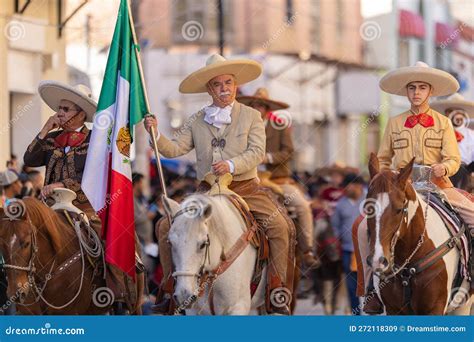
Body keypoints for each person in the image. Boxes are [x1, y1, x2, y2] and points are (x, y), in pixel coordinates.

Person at [145, 54, 296, 315]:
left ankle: (276, 291)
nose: (224, 88)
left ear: (235, 86)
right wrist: (156, 134)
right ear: (209, 89)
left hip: (245, 188)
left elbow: (258, 152)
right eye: (218, 84)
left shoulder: (251, 116)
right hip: (206, 191)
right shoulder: (196, 119)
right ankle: (170, 290)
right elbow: (174, 148)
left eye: (229, 82)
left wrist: (233, 165)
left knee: (280, 225)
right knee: (165, 224)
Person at [357, 61, 474, 314]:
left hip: (437, 186)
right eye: (412, 88)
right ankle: (370, 290)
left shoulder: (442, 122)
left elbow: (454, 159)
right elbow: (385, 159)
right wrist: (387, 176)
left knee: (473, 217)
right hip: (400, 188)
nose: (416, 92)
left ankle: (470, 277)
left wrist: (444, 167)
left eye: (422, 88)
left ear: (430, 92)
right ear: (406, 92)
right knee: (359, 229)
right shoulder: (395, 122)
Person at [237, 88, 319, 268]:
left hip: (276, 180)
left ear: (267, 109)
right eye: (254, 105)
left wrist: (268, 157)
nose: (257, 108)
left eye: (261, 105)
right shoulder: (241, 126)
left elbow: (289, 152)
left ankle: (307, 250)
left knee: (303, 206)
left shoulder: (279, 125)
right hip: (248, 181)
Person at [331, 174, 365, 315]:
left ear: (358, 186)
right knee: (352, 286)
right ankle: (356, 315)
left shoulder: (370, 201)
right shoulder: (341, 204)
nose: (346, 188)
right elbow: (335, 226)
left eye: (348, 185)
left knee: (373, 284)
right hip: (348, 250)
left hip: (368, 251)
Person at [431, 93, 474, 190]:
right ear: (446, 114)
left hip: (466, 173)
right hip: (442, 172)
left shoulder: (471, 135)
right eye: (451, 111)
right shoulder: (436, 133)